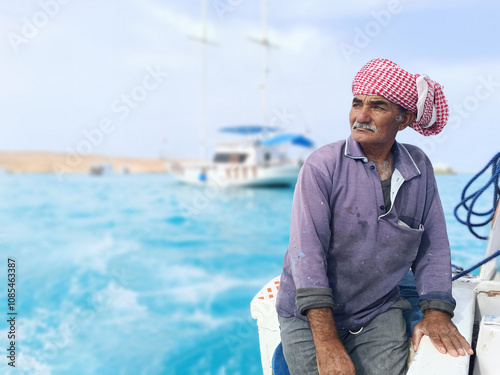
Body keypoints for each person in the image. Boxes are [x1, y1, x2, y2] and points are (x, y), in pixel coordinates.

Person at [275, 58, 474, 375]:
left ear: (404, 118)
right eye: (357, 104)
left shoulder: (418, 166)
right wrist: (327, 345)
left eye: (377, 107)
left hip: (377, 308)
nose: (361, 116)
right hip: (309, 314)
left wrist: (436, 310)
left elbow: (433, 246)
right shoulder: (322, 165)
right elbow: (306, 254)